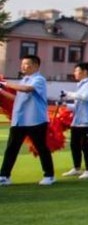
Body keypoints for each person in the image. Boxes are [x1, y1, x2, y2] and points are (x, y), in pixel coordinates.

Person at [0, 55, 55, 186]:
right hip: (20, 120)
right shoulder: (24, 80)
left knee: (41, 148)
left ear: (35, 66)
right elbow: (16, 98)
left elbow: (27, 89)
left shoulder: (39, 79)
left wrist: (4, 83)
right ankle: (4, 176)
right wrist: (1, 90)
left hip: (36, 120)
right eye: (22, 64)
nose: (23, 66)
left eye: (26, 64)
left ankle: (49, 175)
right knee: (11, 148)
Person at [61, 62, 88, 179]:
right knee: (74, 145)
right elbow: (78, 105)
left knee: (86, 146)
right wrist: (65, 104)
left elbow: (86, 97)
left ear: (84, 72)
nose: (75, 73)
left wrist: (68, 94)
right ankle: (77, 168)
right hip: (78, 121)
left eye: (76, 71)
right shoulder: (80, 85)